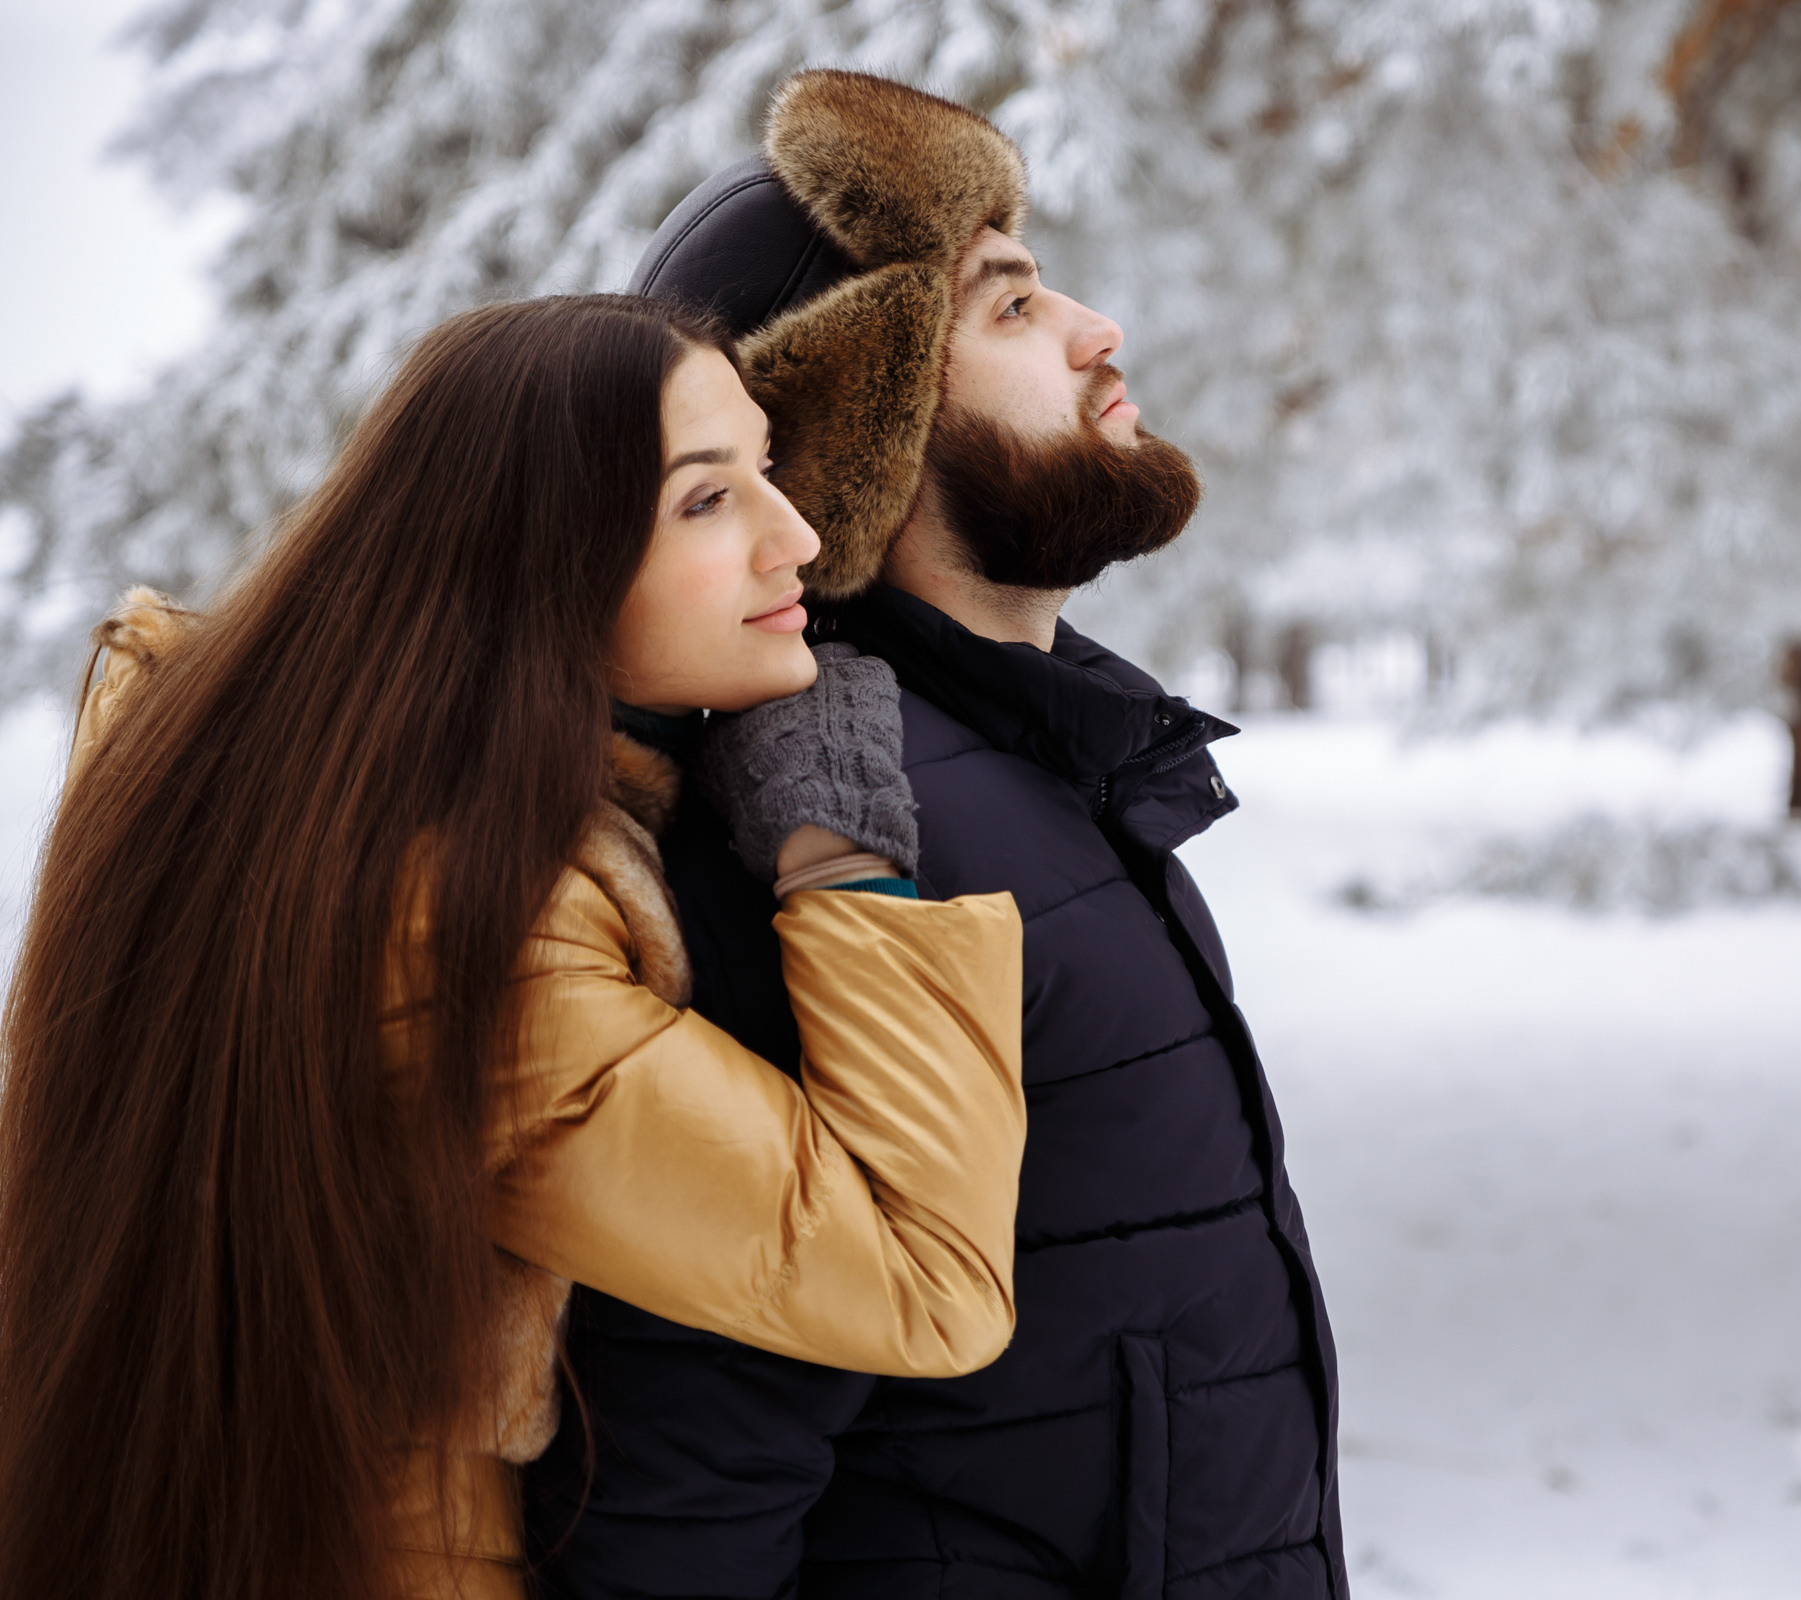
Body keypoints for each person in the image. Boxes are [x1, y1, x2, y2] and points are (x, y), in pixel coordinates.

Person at [0, 293, 1029, 1600]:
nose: (800, 539)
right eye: (708, 502)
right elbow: (922, 1275)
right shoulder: (466, 929)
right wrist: (839, 843)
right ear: (544, 558)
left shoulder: (306, 802)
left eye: (766, 474)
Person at [525, 71, 1346, 1600]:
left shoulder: (1023, 779)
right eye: (1014, 309)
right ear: (864, 415)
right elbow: (684, 1484)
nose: (1101, 330)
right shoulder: (832, 844)